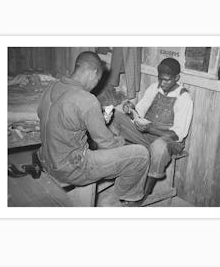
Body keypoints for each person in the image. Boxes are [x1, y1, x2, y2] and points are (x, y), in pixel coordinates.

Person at [36, 51, 149, 206]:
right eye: (97, 79)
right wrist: (121, 142)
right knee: (141, 155)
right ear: (93, 73)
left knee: (98, 144)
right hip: (72, 169)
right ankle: (122, 198)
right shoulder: (87, 100)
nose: (96, 84)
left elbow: (63, 119)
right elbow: (106, 144)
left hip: (45, 159)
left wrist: (97, 119)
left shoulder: (51, 87)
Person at [111, 57, 193, 201]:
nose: (162, 83)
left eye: (167, 80)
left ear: (177, 78)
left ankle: (145, 193)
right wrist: (130, 109)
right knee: (116, 116)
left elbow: (178, 134)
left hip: (169, 140)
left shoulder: (184, 98)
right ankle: (116, 168)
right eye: (160, 78)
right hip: (147, 133)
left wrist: (151, 129)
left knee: (159, 147)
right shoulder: (154, 88)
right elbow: (140, 111)